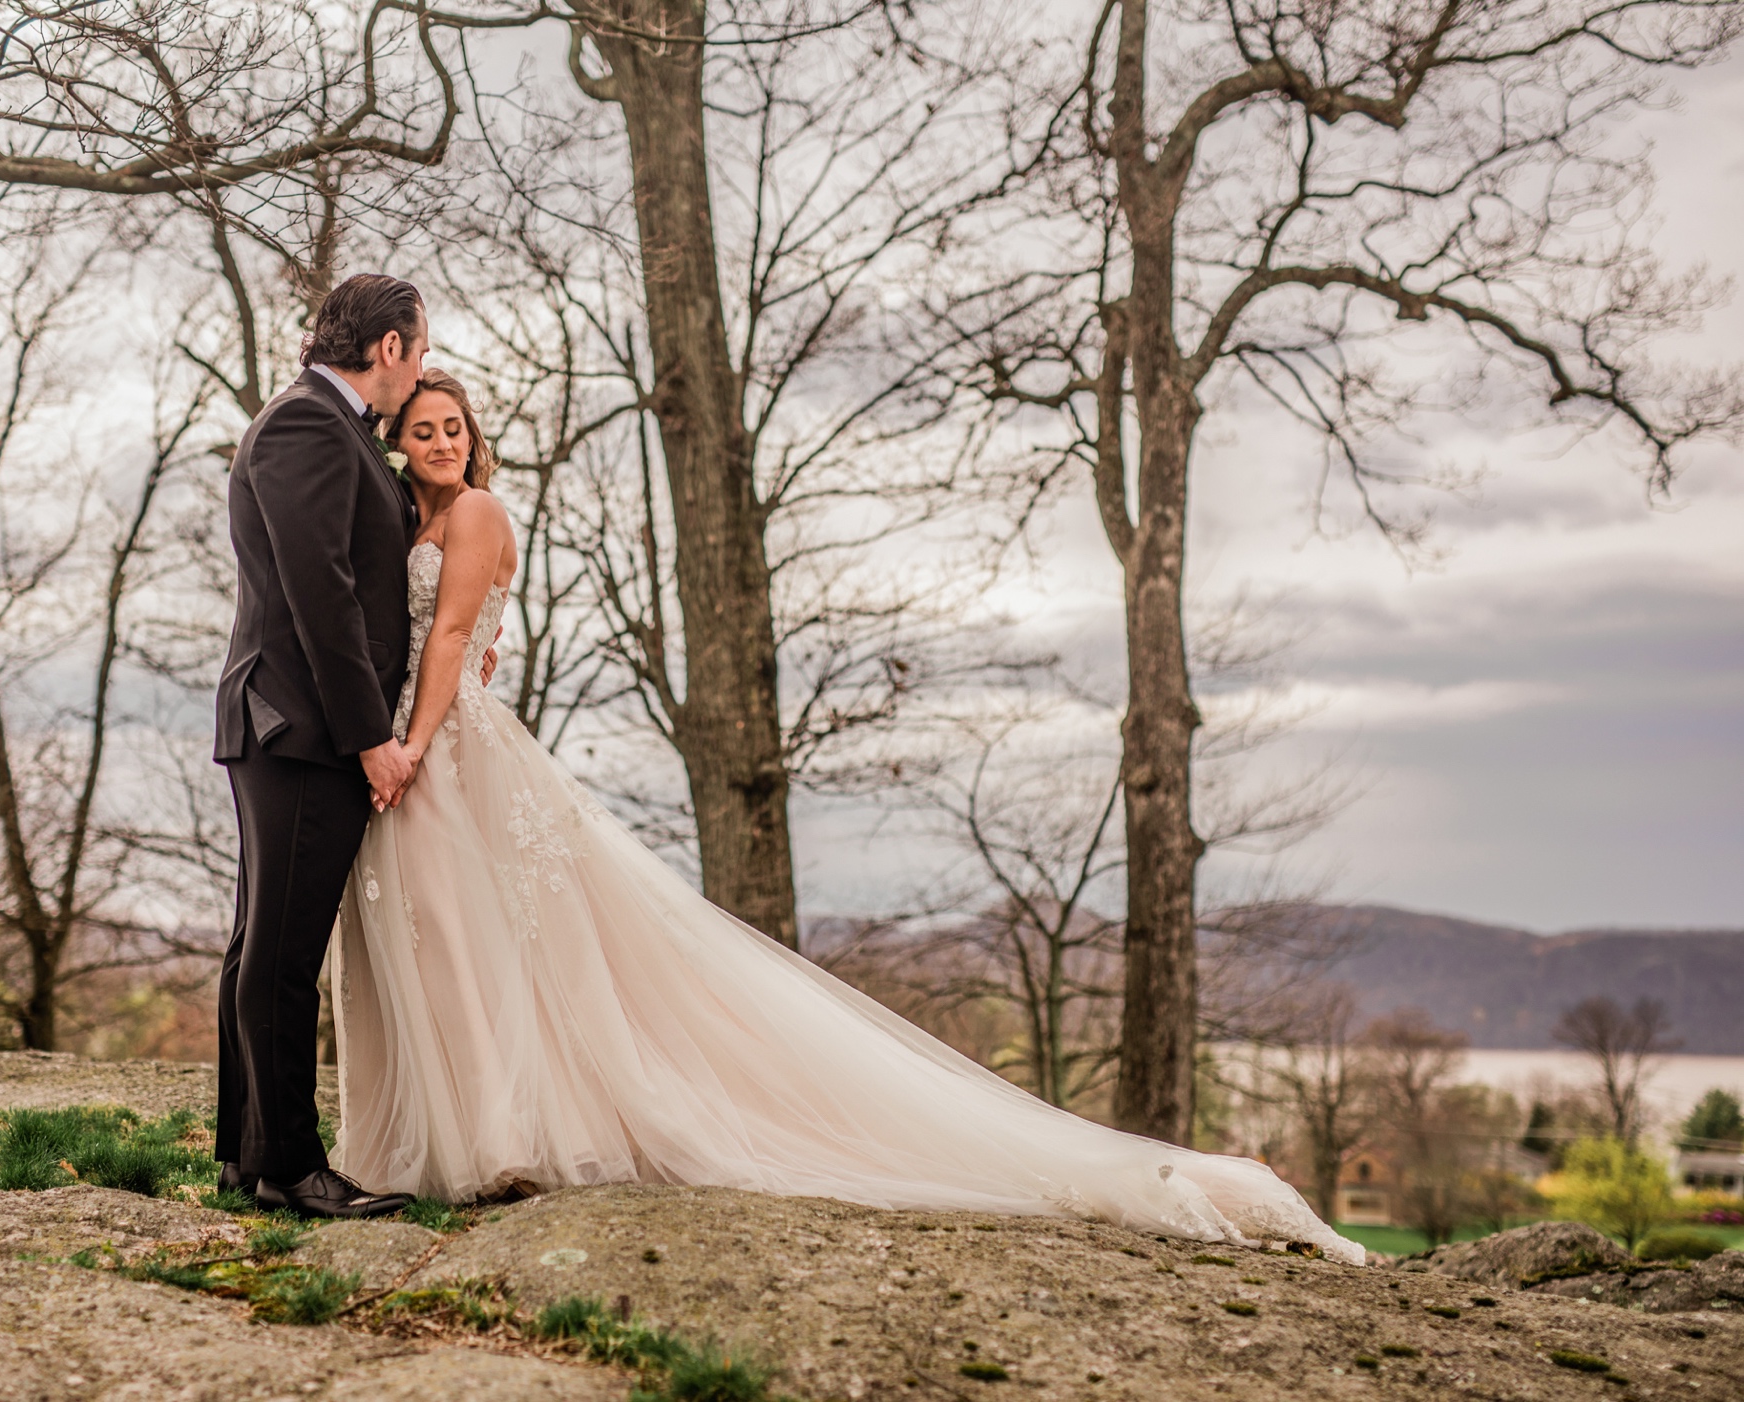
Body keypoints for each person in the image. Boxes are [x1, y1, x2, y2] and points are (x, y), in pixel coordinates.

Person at [324, 366, 1366, 1263]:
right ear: (400, 443)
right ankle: (465, 1130)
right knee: (461, 940)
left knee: (491, 940)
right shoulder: (419, 516)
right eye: (425, 430)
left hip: (447, 741)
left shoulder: (476, 513)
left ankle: (499, 1134)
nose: (445, 441)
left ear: (474, 438)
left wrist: (411, 745)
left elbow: (456, 635)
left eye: (455, 427)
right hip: (433, 732)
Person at [210, 274, 428, 1220]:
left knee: (262, 944)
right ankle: (293, 1168)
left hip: (288, 724)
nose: (419, 372)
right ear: (387, 349)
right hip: (300, 727)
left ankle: (248, 1155)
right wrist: (371, 737)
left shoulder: (318, 425)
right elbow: (321, 596)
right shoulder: (308, 424)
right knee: (283, 954)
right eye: (417, 351)